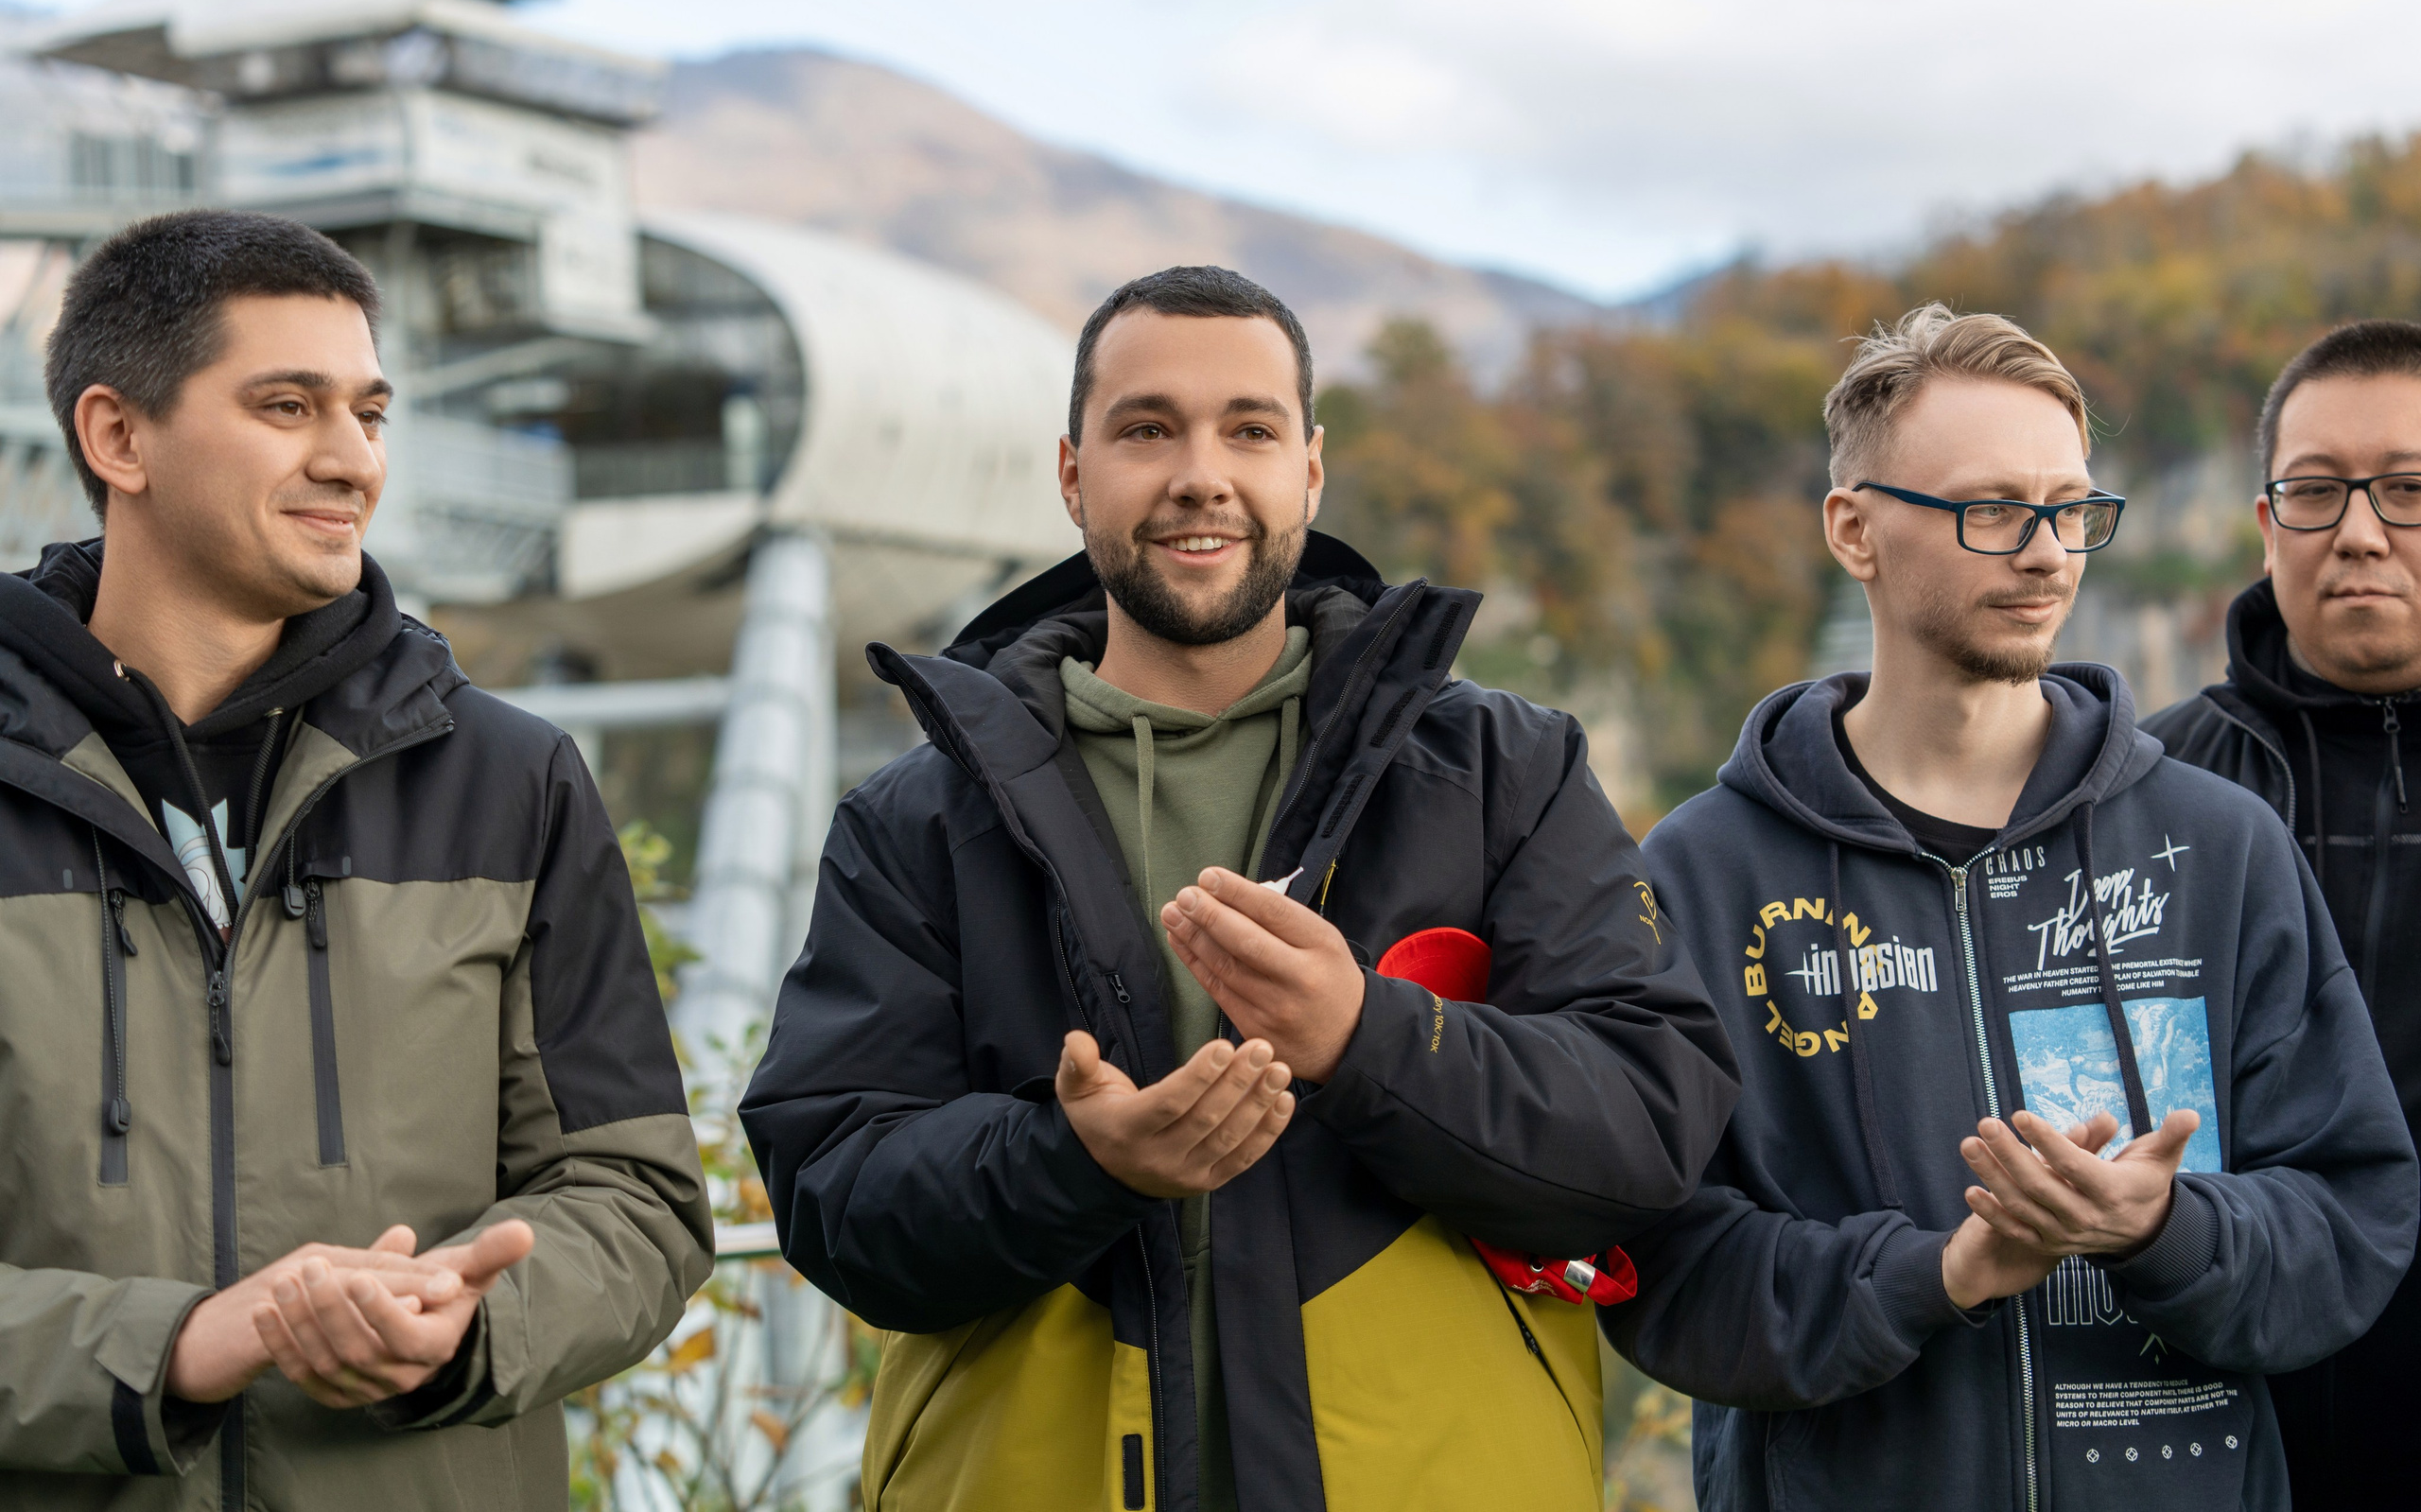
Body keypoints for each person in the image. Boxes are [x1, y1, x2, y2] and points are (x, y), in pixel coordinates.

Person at [740, 265, 1738, 1512]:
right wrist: (1077, 1159)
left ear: (1310, 472)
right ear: (1071, 472)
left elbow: (1645, 1129)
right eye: (1147, 428)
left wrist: (1369, 1038)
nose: (1199, 473)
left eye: (1249, 429)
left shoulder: (1499, 771)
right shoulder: (919, 816)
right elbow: (834, 1196)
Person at [1601, 304, 2416, 1511]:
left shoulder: (2216, 846)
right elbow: (1662, 1272)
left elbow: (2352, 1216)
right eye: (1991, 510)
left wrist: (2164, 1231)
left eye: (2069, 509)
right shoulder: (1704, 874)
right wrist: (1942, 1273)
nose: (2045, 554)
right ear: (1854, 530)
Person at [0, 208, 711, 1507]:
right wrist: (180, 1347)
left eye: (369, 414)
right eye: (287, 405)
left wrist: (466, 1319)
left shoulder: (512, 780)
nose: (351, 460)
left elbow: (638, 1194)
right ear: (118, 436)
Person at [2144, 318, 2421, 1509]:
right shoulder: (2152, 792)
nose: (2358, 532)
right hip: (2225, 1413)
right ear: (2266, 527)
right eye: (2315, 492)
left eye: (2407, 490)